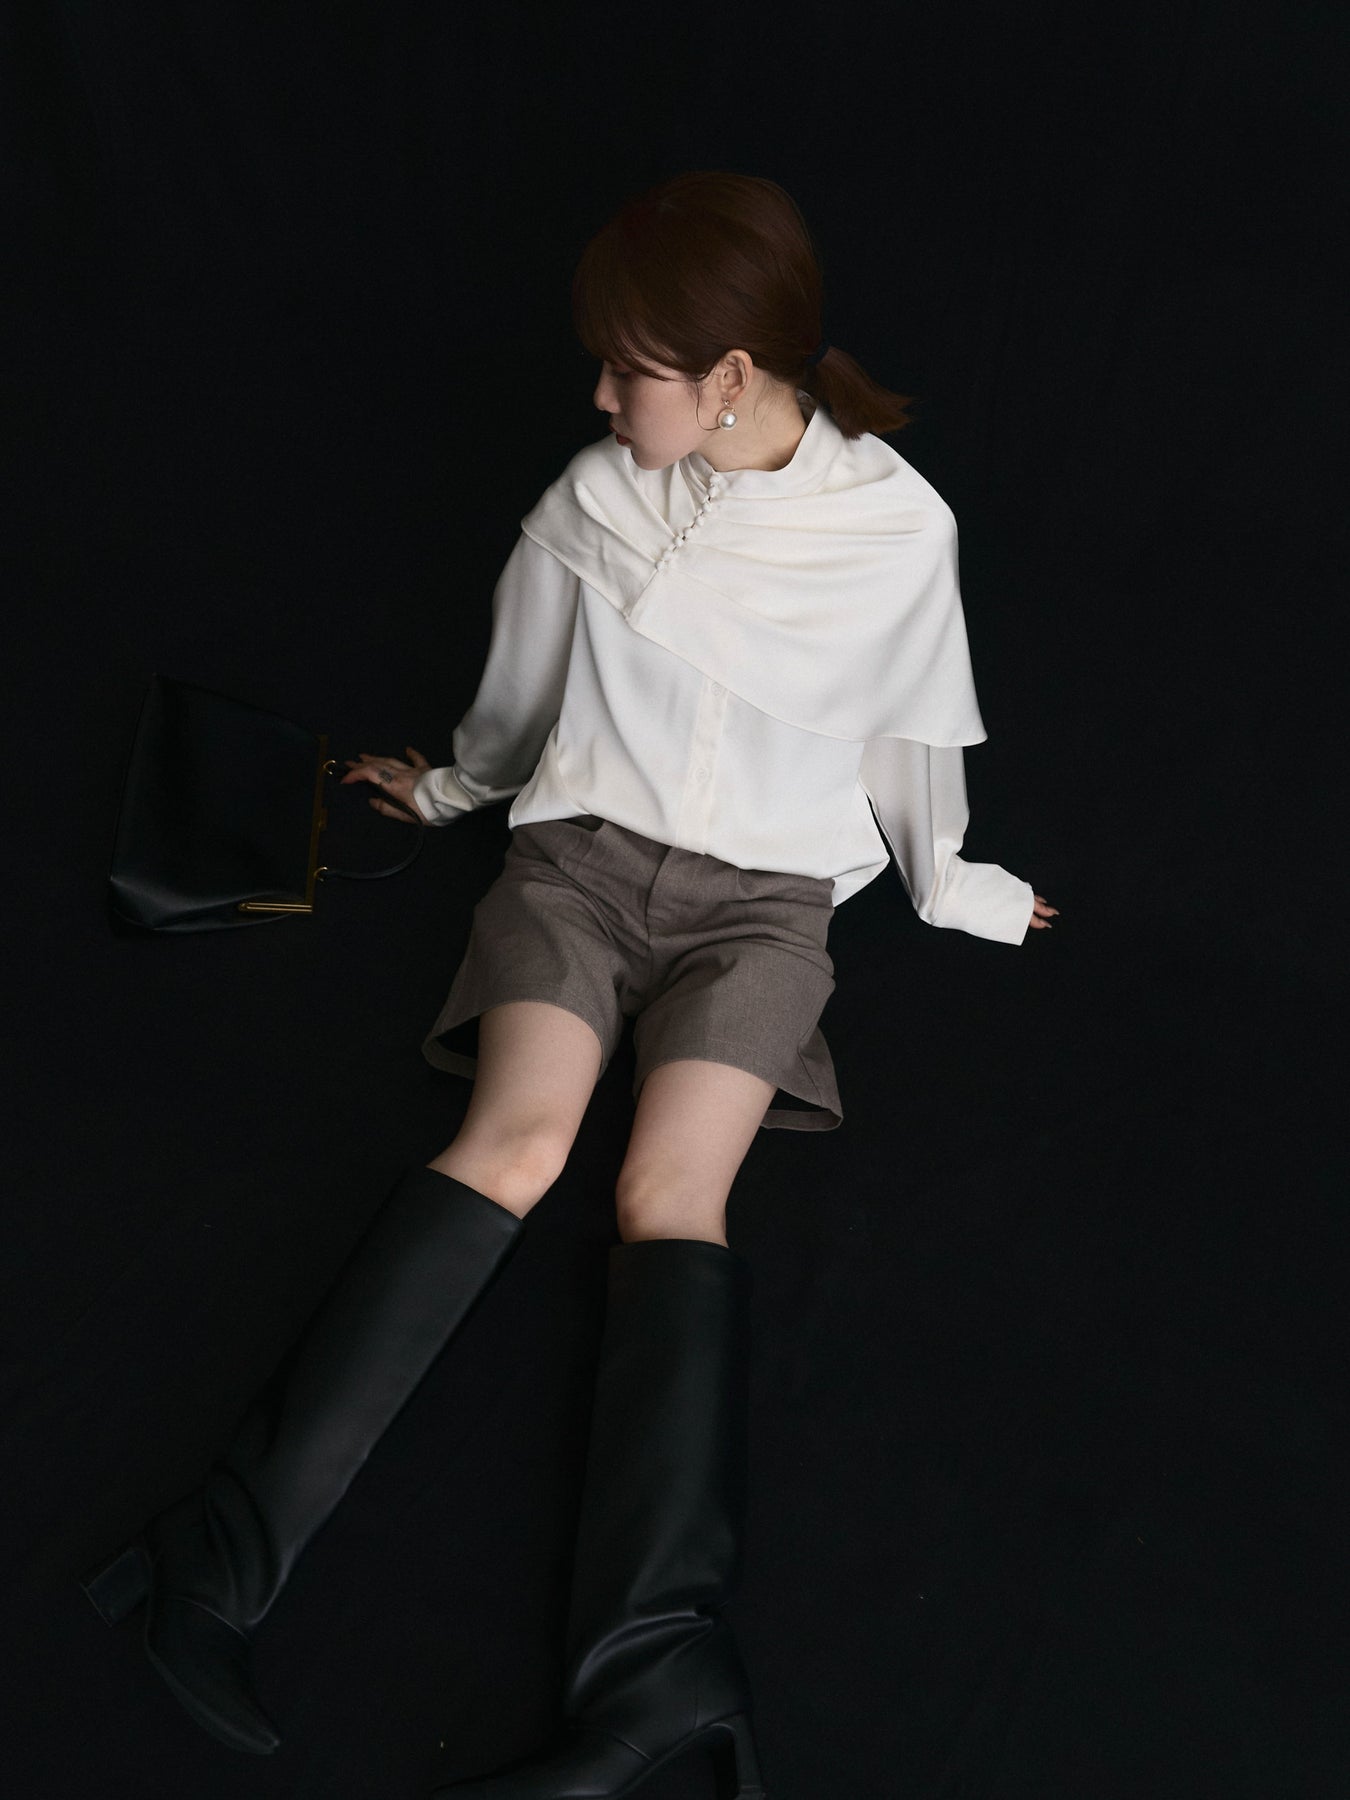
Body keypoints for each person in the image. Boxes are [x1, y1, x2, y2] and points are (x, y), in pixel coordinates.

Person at [81, 170, 1056, 1799]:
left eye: (628, 368)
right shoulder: (593, 498)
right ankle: (220, 1558)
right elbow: (519, 706)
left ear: (729, 373)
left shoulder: (896, 532)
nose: (602, 397)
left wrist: (958, 890)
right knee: (514, 1146)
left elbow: (910, 749)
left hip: (763, 914)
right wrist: (448, 795)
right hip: (580, 870)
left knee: (670, 1200)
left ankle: (657, 1674)